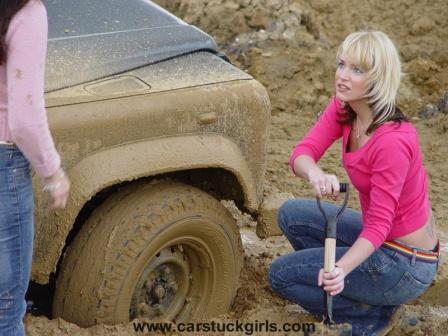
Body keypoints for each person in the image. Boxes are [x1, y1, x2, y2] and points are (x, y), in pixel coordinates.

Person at [268, 31, 439, 336]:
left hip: (404, 263)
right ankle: (366, 295)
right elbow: (301, 154)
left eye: (357, 70)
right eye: (341, 64)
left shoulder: (392, 142)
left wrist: (342, 270)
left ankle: (366, 318)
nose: (343, 76)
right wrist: (315, 174)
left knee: (282, 276)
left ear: (379, 78)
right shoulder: (345, 108)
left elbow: (379, 226)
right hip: (382, 240)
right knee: (291, 215)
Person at [0, 0, 70, 334]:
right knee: (5, 311)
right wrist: (53, 173)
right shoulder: (27, 14)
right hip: (4, 166)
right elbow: (25, 118)